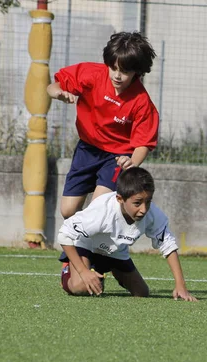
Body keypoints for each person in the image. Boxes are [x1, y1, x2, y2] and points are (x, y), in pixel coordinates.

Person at [47, 31, 159, 219]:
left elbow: (143, 143)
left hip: (115, 158)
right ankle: (82, 242)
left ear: (137, 71)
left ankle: (83, 248)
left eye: (124, 71)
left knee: (97, 210)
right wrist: (59, 93)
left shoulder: (141, 102)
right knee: (67, 211)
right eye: (113, 68)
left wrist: (132, 163)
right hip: (87, 150)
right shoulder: (92, 74)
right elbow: (52, 87)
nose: (117, 75)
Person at [57, 167, 198, 302]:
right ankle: (67, 270)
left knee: (142, 293)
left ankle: (103, 273)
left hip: (116, 253)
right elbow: (64, 234)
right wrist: (82, 271)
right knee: (80, 287)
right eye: (137, 203)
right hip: (87, 247)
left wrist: (181, 286)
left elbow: (168, 245)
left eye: (148, 202)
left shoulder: (152, 214)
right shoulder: (102, 210)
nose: (144, 209)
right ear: (120, 199)